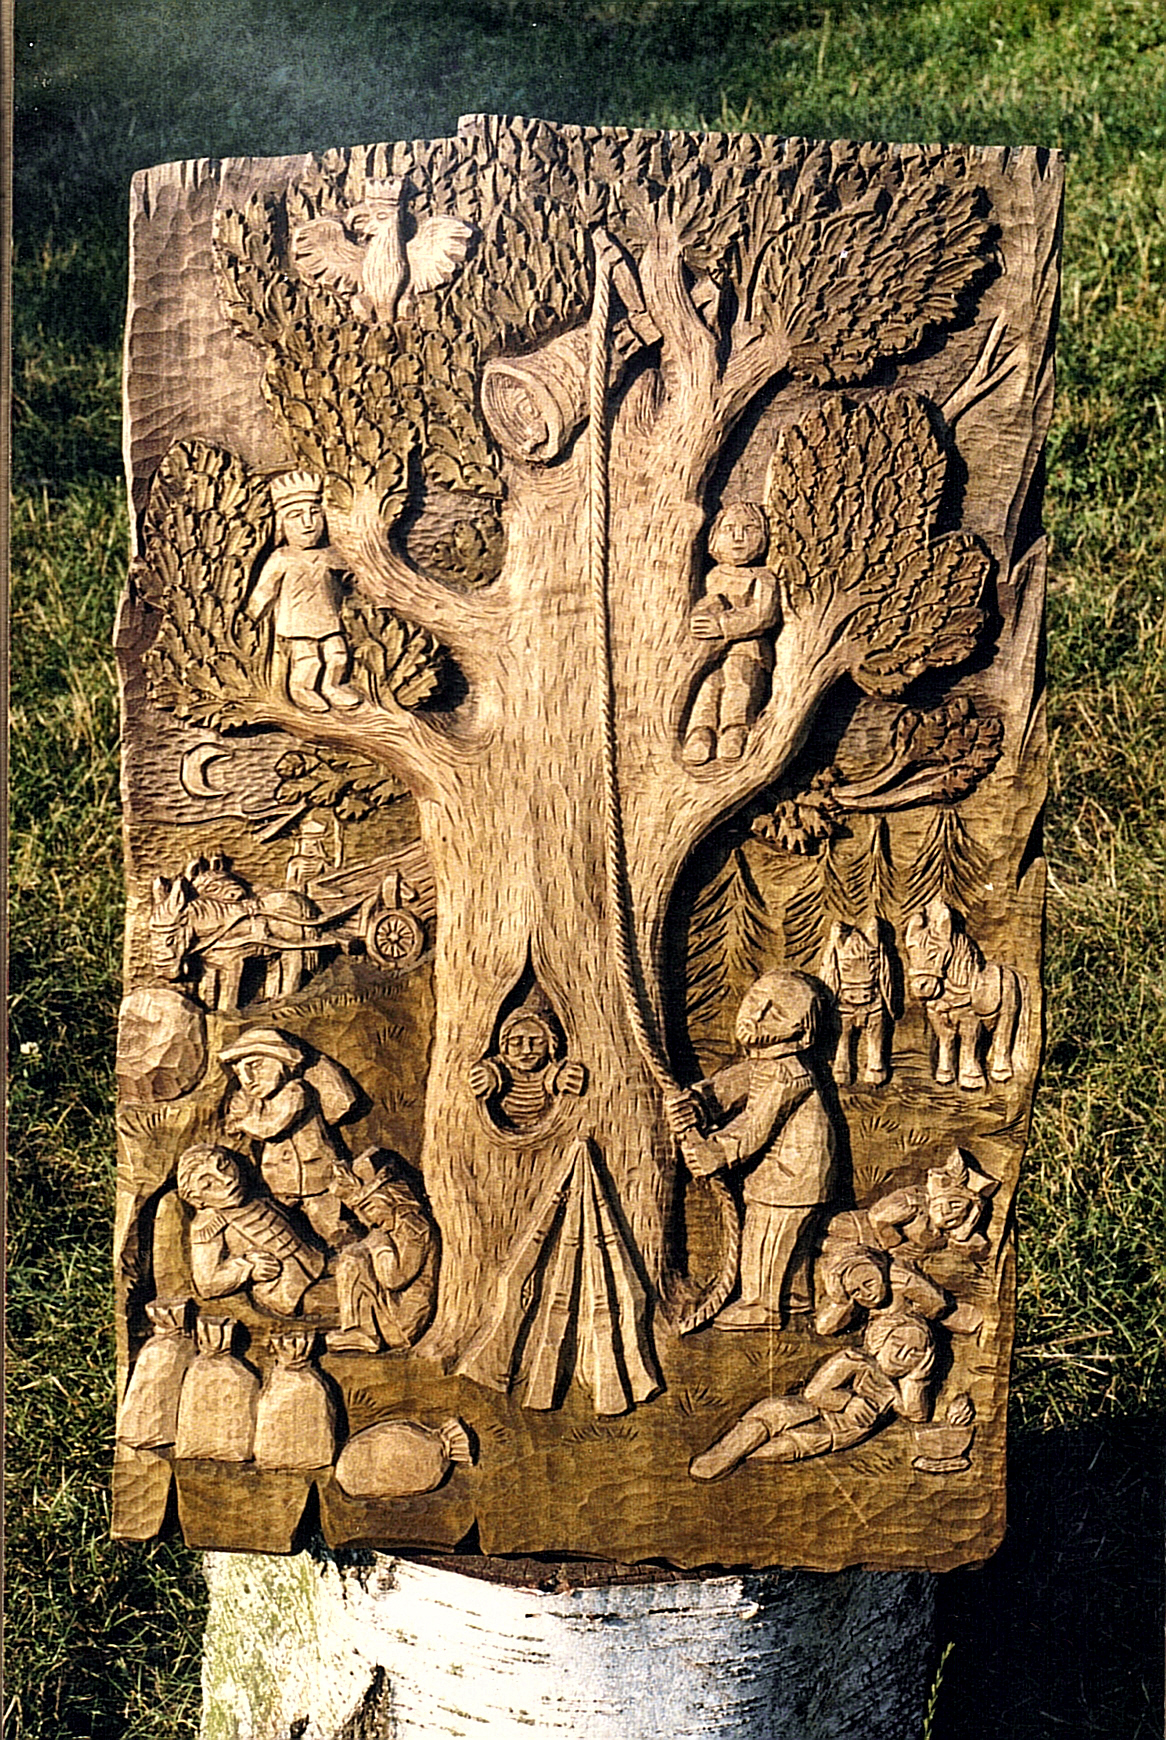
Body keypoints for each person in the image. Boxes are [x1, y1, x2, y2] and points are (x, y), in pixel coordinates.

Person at [668, 969, 839, 1328]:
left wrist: (718, 1151)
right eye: (756, 1001)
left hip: (793, 1177)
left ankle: (763, 1305)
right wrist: (699, 1103)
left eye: (775, 1013)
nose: (757, 1015)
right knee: (782, 1240)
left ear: (801, 1031)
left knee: (768, 1238)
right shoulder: (765, 1063)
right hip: (781, 1176)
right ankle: (794, 1298)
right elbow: (734, 1085)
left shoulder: (790, 1073)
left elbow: (758, 1125)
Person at [690, 1310, 935, 1480]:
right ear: (882, 1338)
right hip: (814, 1407)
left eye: (915, 1353)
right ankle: (724, 1453)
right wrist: (849, 1402)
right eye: (898, 1344)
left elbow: (916, 1414)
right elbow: (815, 1392)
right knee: (777, 1411)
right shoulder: (854, 1360)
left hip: (834, 1433)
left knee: (787, 1446)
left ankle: (737, 1458)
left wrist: (917, 1378)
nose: (902, 1355)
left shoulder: (896, 1389)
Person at [219, 1028, 360, 1245]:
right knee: (282, 1227)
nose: (248, 1079)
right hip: (278, 1181)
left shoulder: (296, 1091)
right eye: (239, 1073)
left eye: (256, 1066)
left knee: (331, 1225)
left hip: (315, 1178)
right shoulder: (256, 1102)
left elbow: (271, 1127)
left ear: (283, 1060)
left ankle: (351, 1253)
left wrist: (243, 1121)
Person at [247, 471, 362, 714]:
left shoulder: (330, 555)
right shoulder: (282, 557)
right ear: (281, 524)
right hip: (297, 621)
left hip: (328, 617)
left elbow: (353, 580)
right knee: (308, 661)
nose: (308, 523)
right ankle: (303, 689)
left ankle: (332, 687)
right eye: (296, 516)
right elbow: (265, 590)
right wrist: (251, 618)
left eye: (314, 513)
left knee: (338, 655)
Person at [175, 1142, 325, 1316]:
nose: (226, 1179)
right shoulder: (208, 1225)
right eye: (208, 1184)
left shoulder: (252, 1196)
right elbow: (206, 1284)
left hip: (313, 1261)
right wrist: (248, 1267)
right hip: (287, 1288)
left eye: (224, 1166)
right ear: (196, 1200)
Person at [682, 501, 780, 766]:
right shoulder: (712, 576)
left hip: (748, 649)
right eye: (729, 529)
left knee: (740, 683)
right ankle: (700, 732)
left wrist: (723, 624)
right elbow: (705, 604)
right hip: (712, 652)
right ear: (714, 537)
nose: (739, 537)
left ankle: (735, 730)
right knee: (708, 685)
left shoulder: (763, 578)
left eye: (750, 529)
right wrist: (704, 614)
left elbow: (763, 615)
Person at [327, 1152, 437, 1353]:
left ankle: (362, 1332)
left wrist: (378, 1244)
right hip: (395, 1311)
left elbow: (394, 1279)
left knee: (354, 1257)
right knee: (354, 1254)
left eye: (369, 1209)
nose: (369, 1220)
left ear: (388, 1198)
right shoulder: (396, 1226)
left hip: (405, 1320)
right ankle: (358, 1329)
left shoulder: (414, 1228)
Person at [469, 994, 585, 1135]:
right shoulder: (496, 1071)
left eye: (537, 1042)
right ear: (504, 1045)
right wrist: (485, 1075)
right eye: (516, 1042)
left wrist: (565, 1078)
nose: (526, 1050)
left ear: (551, 1044)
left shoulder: (554, 1073)